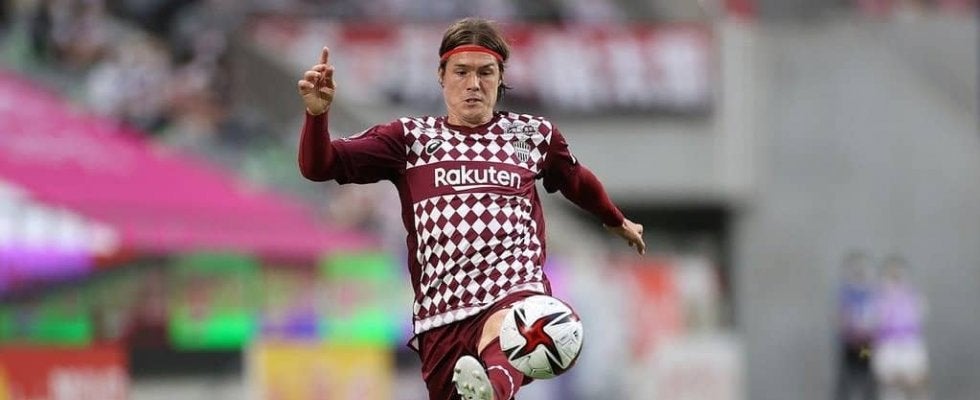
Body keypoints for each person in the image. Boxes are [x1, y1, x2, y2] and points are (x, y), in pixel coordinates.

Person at [296, 18, 645, 400]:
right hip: (441, 312)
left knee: (520, 323)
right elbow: (319, 166)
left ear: (500, 78)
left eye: (486, 72)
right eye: (461, 72)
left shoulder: (532, 135)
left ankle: (493, 389)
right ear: (441, 75)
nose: (474, 84)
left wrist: (615, 219)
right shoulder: (409, 139)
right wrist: (317, 115)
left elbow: (575, 178)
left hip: (514, 289)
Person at [872, 255, 929, 400]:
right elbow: (874, 323)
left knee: (915, 382)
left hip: (909, 344)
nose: (895, 278)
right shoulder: (878, 299)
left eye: (897, 274)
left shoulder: (914, 297)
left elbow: (919, 318)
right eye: (891, 275)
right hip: (887, 345)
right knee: (890, 386)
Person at [835, 250, 877, 400]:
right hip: (850, 344)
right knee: (848, 373)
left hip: (865, 344)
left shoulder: (872, 293)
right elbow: (841, 318)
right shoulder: (845, 293)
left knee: (866, 370)